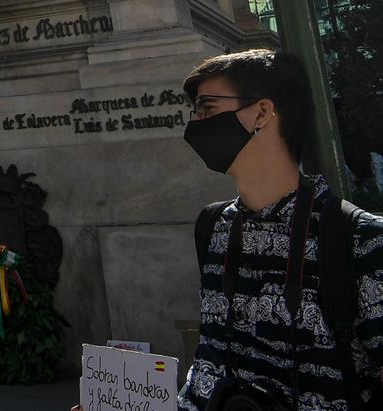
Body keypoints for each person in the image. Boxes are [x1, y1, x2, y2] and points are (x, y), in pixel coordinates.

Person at [77, 50, 383, 411]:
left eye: (208, 108)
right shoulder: (213, 225)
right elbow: (211, 364)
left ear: (262, 113)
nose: (196, 122)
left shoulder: (359, 239)